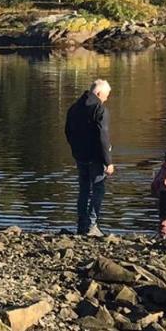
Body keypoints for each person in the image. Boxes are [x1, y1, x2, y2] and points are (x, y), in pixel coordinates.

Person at [64, 78, 114, 236]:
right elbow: (103, 136)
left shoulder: (74, 108)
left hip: (80, 155)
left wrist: (75, 149)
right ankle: (92, 225)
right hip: (96, 156)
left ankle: (81, 224)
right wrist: (109, 161)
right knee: (98, 188)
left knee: (84, 189)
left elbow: (67, 132)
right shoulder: (100, 109)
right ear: (99, 93)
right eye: (106, 96)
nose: (106, 99)